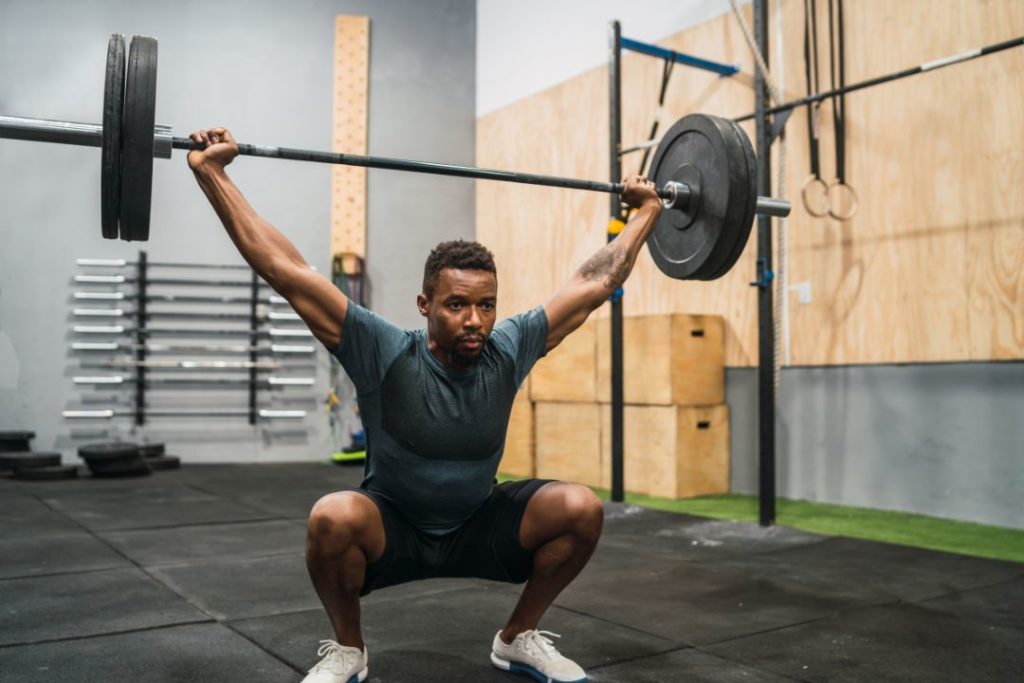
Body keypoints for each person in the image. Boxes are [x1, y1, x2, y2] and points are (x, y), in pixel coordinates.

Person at [188, 127, 663, 683]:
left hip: (479, 525)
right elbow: (286, 270)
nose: (475, 321)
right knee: (332, 517)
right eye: (457, 305)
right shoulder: (383, 351)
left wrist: (646, 213)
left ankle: (516, 639)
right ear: (424, 304)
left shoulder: (507, 349)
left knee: (581, 508)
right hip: (393, 528)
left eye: (487, 305)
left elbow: (593, 282)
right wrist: (213, 174)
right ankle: (349, 650)